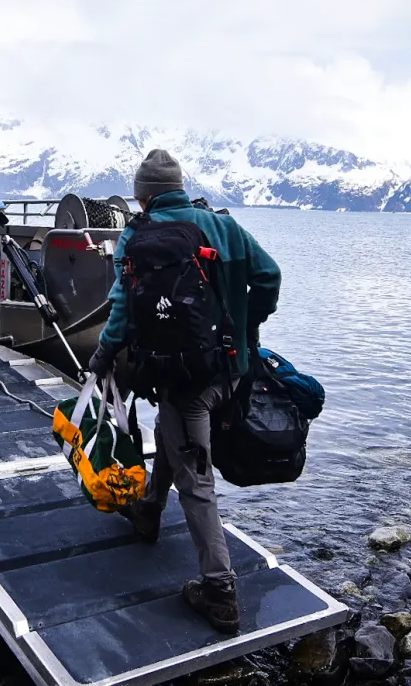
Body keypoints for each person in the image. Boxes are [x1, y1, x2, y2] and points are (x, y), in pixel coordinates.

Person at [88, 149, 281, 634]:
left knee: (197, 483)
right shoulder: (224, 226)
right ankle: (149, 510)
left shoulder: (136, 236)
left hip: (184, 380)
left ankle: (219, 591)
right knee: (172, 432)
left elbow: (120, 312)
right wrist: (247, 323)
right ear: (179, 185)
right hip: (233, 371)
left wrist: (103, 357)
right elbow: (269, 276)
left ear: (143, 194)